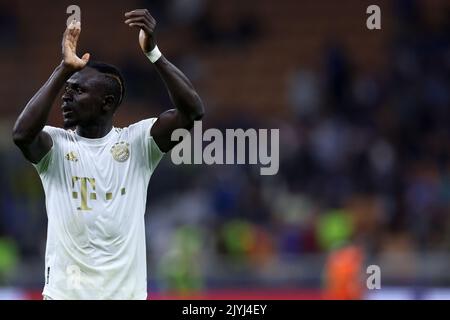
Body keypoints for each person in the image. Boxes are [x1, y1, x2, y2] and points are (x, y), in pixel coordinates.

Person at [12, 9, 204, 300]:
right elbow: (22, 134)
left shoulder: (138, 143)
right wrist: (63, 70)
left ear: (107, 102)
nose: (66, 97)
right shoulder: (56, 145)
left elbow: (192, 113)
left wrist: (153, 53)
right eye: (67, 90)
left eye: (77, 91)